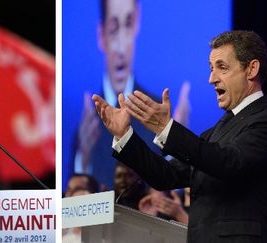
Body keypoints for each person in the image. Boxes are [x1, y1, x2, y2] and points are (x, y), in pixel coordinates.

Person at [93, 30, 267, 242]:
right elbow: (165, 175)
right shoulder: (218, 130)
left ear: (251, 69)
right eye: (211, 69)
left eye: (222, 68)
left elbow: (229, 163)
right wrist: (124, 135)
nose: (211, 79)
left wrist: (167, 128)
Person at [72, 0, 190, 189]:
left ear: (137, 25)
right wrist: (82, 159)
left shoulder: (157, 110)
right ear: (101, 36)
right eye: (113, 29)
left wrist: (177, 143)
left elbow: (168, 179)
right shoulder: (86, 125)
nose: (120, 47)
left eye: (127, 25)